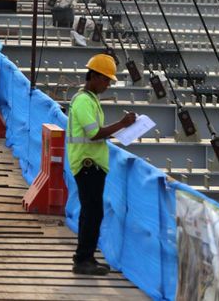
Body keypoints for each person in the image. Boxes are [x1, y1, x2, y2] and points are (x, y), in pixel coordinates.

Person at [68, 54, 136, 276]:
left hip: (93, 164)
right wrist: (122, 124)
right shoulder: (83, 101)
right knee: (91, 213)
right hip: (87, 164)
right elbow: (95, 133)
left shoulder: (91, 99)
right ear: (94, 76)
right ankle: (82, 259)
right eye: (106, 80)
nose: (108, 85)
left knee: (93, 213)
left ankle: (86, 257)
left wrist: (120, 128)